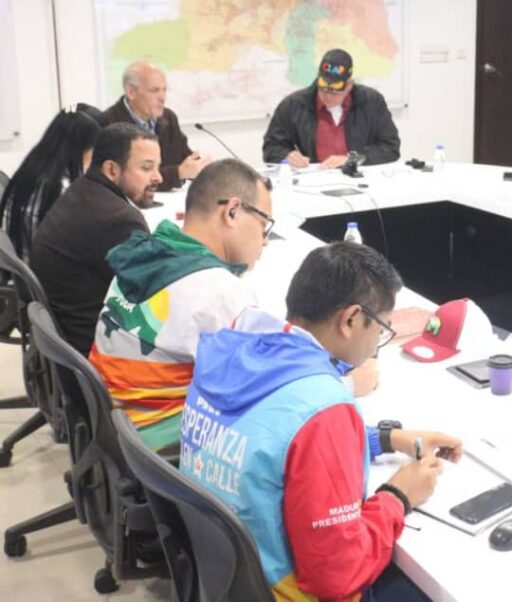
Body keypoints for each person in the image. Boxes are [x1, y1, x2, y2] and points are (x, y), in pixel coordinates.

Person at [180, 242, 459, 601]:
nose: (377, 345)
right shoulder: (324, 408)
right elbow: (337, 576)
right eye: (381, 330)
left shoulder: (232, 354)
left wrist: (385, 439)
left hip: (224, 581)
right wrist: (399, 496)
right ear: (351, 319)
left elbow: (275, 438)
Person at [88, 160, 275, 450]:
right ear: (232, 211)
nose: (265, 241)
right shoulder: (220, 293)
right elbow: (255, 393)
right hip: (161, 448)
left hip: (115, 426)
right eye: (264, 225)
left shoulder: (146, 253)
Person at [31, 123, 162, 354]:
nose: (158, 177)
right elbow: (154, 295)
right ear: (111, 169)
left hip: (65, 343)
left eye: (158, 167)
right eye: (146, 168)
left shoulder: (82, 191)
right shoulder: (118, 219)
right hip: (94, 352)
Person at [263, 49, 401, 169]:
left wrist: (352, 159)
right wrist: (286, 156)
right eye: (323, 89)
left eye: (334, 92)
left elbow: (390, 148)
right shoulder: (294, 105)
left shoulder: (371, 102)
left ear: (349, 85)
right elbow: (271, 147)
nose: (327, 96)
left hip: (359, 179)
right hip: (315, 179)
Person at [0, 104, 107, 259]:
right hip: (49, 270)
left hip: (23, 268)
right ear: (82, 148)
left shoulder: (27, 175)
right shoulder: (64, 191)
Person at [104, 61, 212, 190]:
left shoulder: (168, 118)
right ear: (131, 92)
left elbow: (186, 160)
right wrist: (177, 173)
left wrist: (203, 168)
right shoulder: (109, 123)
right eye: (154, 90)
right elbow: (123, 179)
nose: (162, 97)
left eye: (164, 90)